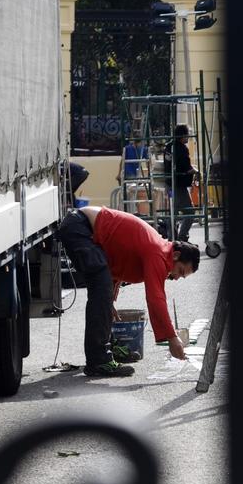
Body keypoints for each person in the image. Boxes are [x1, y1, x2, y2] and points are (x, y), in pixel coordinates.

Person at [57, 205, 200, 378]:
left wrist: (110, 302)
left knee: (103, 296)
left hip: (82, 228)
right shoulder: (159, 253)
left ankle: (105, 351)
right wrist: (172, 338)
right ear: (176, 256)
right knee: (100, 293)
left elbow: (117, 262)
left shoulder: (159, 250)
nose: (176, 277)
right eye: (181, 271)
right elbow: (156, 299)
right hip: (80, 227)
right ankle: (99, 361)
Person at [166, 124, 197, 241]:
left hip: (169, 185)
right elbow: (186, 168)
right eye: (187, 134)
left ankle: (171, 237)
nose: (188, 137)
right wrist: (195, 171)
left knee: (173, 210)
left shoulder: (168, 147)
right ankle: (181, 237)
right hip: (179, 185)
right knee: (190, 212)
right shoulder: (182, 149)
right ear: (182, 135)